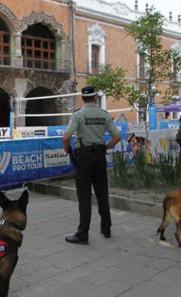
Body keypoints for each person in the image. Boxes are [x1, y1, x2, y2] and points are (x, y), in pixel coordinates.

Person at [63, 86, 122, 244]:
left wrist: (67, 150)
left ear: (83, 98)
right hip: (99, 156)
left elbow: (66, 136)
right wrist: (105, 147)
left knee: (84, 196)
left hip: (84, 157)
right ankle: (106, 228)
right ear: (96, 98)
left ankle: (83, 234)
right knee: (102, 193)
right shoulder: (104, 115)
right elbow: (117, 137)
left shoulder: (79, 115)